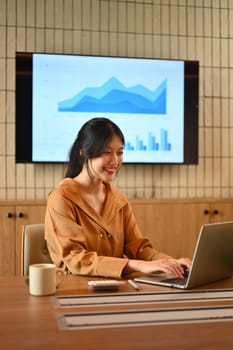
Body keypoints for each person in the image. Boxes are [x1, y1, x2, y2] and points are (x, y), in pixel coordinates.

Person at [45, 117, 191, 279]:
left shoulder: (119, 199)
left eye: (120, 152)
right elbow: (75, 259)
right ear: (83, 152)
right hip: (74, 289)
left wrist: (172, 263)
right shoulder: (62, 198)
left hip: (116, 288)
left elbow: (138, 248)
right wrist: (136, 265)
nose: (115, 161)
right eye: (107, 152)